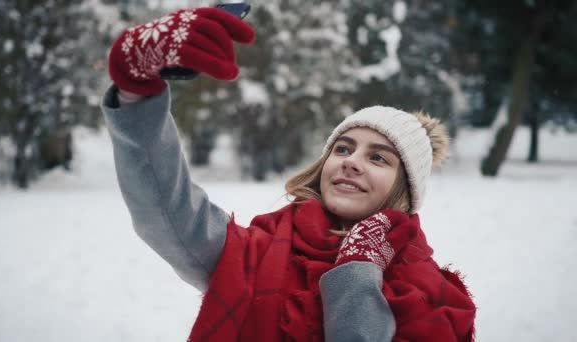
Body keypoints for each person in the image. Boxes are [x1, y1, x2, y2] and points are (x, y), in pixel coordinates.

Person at [101, 6, 476, 342]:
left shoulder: (434, 297)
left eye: (379, 159)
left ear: (404, 189)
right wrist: (136, 92)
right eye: (342, 149)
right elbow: (164, 211)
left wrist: (357, 269)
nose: (352, 161)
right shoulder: (253, 252)